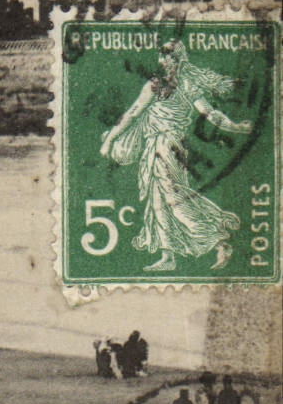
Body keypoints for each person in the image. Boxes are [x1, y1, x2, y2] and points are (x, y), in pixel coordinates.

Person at [98, 39, 251, 272]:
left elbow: (210, 115)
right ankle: (168, 256)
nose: (161, 61)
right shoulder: (166, 85)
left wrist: (236, 127)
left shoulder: (166, 85)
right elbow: (134, 113)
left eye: (166, 57)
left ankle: (219, 241)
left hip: (167, 147)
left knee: (173, 199)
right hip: (165, 146)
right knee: (158, 201)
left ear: (176, 61)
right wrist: (237, 127)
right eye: (161, 57)